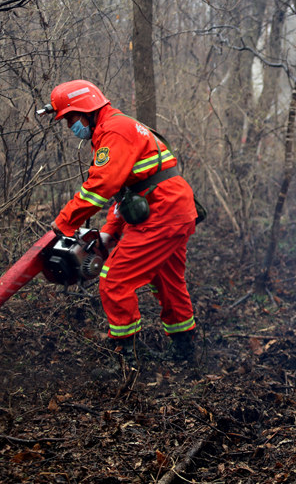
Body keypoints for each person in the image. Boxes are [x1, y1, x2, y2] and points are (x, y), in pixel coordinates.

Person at [46, 80, 198, 370]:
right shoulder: (116, 126)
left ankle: (126, 357)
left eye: (70, 118)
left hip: (162, 212)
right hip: (173, 208)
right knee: (167, 279)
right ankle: (185, 349)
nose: (69, 126)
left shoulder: (114, 131)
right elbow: (128, 190)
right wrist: (109, 231)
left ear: (86, 110)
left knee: (115, 279)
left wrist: (65, 222)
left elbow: (101, 187)